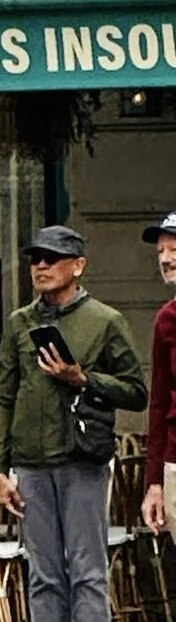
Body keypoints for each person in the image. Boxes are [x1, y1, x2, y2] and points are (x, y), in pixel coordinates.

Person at [0, 224, 146, 622]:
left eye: (52, 258)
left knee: (87, 575)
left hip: (82, 462)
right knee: (44, 579)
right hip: (33, 465)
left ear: (77, 266)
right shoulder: (18, 324)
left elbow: (135, 391)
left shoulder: (105, 321)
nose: (40, 266)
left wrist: (84, 379)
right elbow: (2, 394)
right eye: (35, 258)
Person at [138, 213, 176, 542]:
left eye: (175, 250)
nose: (165, 259)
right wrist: (154, 483)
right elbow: (159, 404)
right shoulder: (166, 320)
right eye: (160, 252)